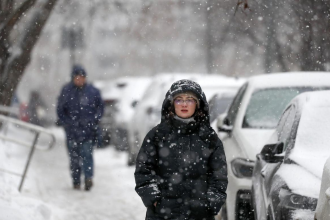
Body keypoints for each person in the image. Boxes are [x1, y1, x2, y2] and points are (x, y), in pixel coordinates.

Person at [134, 79, 228, 220]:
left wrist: (211, 202)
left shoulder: (209, 138)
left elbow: (219, 176)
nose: (184, 104)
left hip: (199, 214)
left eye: (190, 100)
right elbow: (144, 171)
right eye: (179, 100)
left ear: (198, 104)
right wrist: (153, 198)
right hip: (162, 214)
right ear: (171, 104)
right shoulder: (157, 136)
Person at [57, 65, 104, 191]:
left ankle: (88, 178)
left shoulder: (93, 91)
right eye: (77, 77)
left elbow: (100, 107)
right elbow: (60, 110)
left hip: (88, 131)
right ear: (73, 78)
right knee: (74, 158)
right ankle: (76, 180)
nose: (80, 80)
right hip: (72, 132)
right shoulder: (67, 91)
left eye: (82, 77)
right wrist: (67, 123)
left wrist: (94, 120)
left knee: (87, 154)